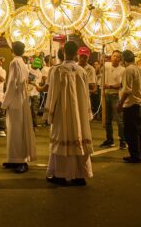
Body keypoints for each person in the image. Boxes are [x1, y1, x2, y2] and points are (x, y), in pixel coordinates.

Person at [46, 41, 93, 186]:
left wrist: (50, 112)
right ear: (76, 53)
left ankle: (60, 174)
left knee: (62, 139)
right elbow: (86, 95)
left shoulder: (57, 70)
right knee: (78, 139)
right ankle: (80, 175)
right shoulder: (82, 71)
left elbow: (52, 94)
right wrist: (88, 112)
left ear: (64, 52)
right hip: (79, 113)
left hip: (63, 112)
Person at [2, 42, 36, 174]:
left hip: (15, 99)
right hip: (22, 97)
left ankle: (21, 160)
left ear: (12, 50)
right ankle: (13, 158)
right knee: (15, 129)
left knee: (16, 130)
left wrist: (5, 102)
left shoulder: (14, 63)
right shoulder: (23, 63)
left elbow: (11, 84)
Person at [118, 50, 141, 163]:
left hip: (131, 104)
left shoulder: (128, 70)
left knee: (131, 132)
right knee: (138, 132)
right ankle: (140, 154)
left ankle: (135, 156)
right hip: (139, 104)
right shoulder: (140, 70)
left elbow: (127, 90)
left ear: (123, 59)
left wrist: (120, 104)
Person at [100, 50, 126, 148]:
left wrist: (109, 86)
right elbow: (98, 72)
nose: (115, 58)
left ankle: (123, 141)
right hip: (105, 95)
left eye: (118, 57)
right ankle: (109, 140)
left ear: (120, 59)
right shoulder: (106, 65)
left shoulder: (122, 70)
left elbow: (121, 84)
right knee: (107, 120)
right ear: (111, 57)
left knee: (119, 120)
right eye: (114, 56)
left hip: (116, 96)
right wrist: (101, 61)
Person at [28, 55, 43, 129]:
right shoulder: (27, 67)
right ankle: (26, 125)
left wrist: (30, 81)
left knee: (34, 110)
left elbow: (36, 83)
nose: (36, 67)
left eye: (37, 66)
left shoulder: (39, 73)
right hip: (26, 92)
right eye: (35, 66)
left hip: (35, 93)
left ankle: (34, 126)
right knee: (26, 110)